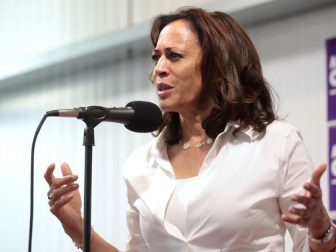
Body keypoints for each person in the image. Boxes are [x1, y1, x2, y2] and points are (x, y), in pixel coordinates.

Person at [44, 7, 336, 251]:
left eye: (174, 55)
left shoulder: (276, 143)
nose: (158, 68)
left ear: (216, 66)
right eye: (156, 56)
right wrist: (77, 228)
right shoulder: (140, 166)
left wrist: (321, 228)